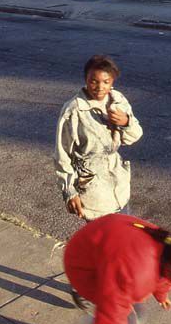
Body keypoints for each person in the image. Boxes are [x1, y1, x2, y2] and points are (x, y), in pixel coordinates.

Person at [64, 213, 171, 324]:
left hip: (96, 246)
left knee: (138, 315)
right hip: (82, 266)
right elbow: (112, 306)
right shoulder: (137, 275)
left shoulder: (166, 244)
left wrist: (161, 295)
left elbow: (163, 277)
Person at [54, 55, 143, 221]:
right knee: (103, 236)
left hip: (118, 187)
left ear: (112, 82)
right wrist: (69, 192)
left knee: (124, 228)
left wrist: (126, 122)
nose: (100, 87)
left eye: (106, 82)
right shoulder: (74, 110)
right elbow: (62, 154)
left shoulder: (117, 100)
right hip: (94, 194)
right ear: (86, 80)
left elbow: (134, 136)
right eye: (94, 81)